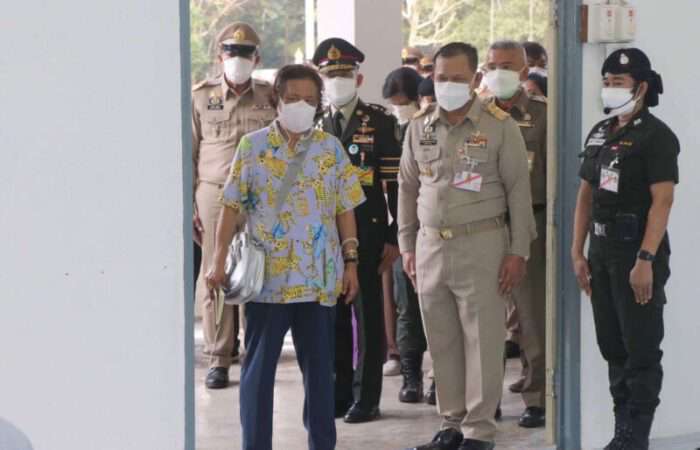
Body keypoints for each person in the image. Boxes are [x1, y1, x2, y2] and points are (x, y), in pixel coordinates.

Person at [205, 64, 364, 450]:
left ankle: (322, 444)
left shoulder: (330, 149)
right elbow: (230, 205)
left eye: (309, 100)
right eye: (292, 98)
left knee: (320, 376)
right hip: (267, 281)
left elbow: (345, 208)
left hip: (318, 279)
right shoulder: (253, 146)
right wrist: (218, 259)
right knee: (257, 374)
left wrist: (351, 262)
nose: (300, 106)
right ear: (276, 99)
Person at [399, 42, 535, 450]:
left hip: (482, 244)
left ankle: (479, 430)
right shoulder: (419, 126)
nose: (448, 85)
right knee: (441, 341)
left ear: (475, 79)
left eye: (457, 79)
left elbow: (518, 192)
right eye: (441, 78)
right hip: (429, 246)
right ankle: (451, 423)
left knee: (483, 341)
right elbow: (407, 188)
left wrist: (518, 251)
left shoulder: (499, 126)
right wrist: (406, 244)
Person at [572, 48, 678, 450]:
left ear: (641, 87)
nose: (609, 89)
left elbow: (662, 202)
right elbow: (585, 195)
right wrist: (577, 252)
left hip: (636, 255)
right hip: (601, 253)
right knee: (612, 345)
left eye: (618, 82)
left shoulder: (657, 136)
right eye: (606, 82)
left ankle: (637, 437)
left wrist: (646, 259)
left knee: (641, 348)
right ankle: (622, 432)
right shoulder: (600, 132)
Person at [313, 37, 402, 424]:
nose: (338, 81)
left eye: (345, 74)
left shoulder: (379, 122)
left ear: (359, 78)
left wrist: (395, 236)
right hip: (324, 234)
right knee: (331, 314)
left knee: (367, 315)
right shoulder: (315, 123)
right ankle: (339, 391)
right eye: (331, 75)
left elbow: (395, 186)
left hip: (368, 230)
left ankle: (367, 397)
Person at [191, 22, 276, 389]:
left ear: (256, 58)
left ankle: (255, 352)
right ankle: (219, 357)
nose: (237, 58)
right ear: (220, 55)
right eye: (231, 51)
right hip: (213, 194)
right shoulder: (200, 97)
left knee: (257, 271)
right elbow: (189, 154)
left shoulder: (270, 96)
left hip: (260, 196)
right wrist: (189, 206)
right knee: (216, 272)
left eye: (245, 53)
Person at [482, 40, 548, 429]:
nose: (498, 72)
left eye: (507, 66)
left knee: (531, 316)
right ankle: (486, 398)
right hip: (485, 226)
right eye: (492, 65)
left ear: (524, 72)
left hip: (529, 225)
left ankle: (536, 396)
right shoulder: (476, 114)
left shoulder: (542, 115)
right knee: (485, 318)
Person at [382, 67, 429, 404]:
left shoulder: (431, 129)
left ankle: (440, 378)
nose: (399, 109)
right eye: (395, 104)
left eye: (404, 102)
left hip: (438, 227)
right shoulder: (390, 132)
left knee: (440, 309)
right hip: (405, 231)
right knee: (407, 306)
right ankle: (411, 377)